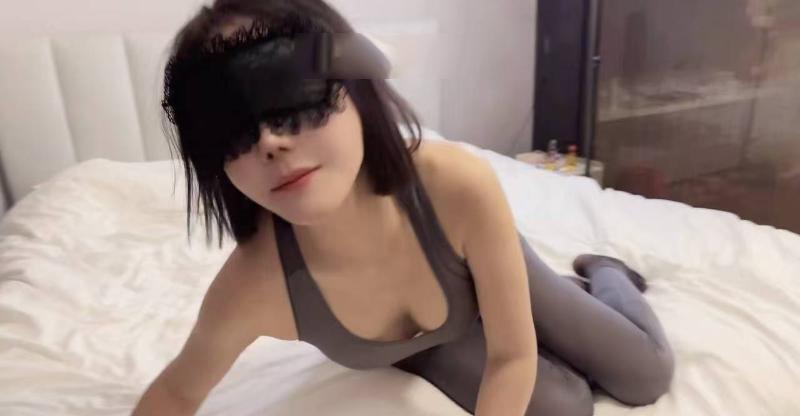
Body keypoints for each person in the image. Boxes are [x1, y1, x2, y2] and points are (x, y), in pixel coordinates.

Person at [132, 1, 675, 415]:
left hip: (474, 259)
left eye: (292, 100)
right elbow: (177, 393)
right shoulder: (253, 286)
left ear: (355, 89)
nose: (270, 143)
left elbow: (512, 355)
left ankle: (602, 271)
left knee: (643, 373)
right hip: (428, 337)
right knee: (565, 408)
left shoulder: (455, 184)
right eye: (231, 132)